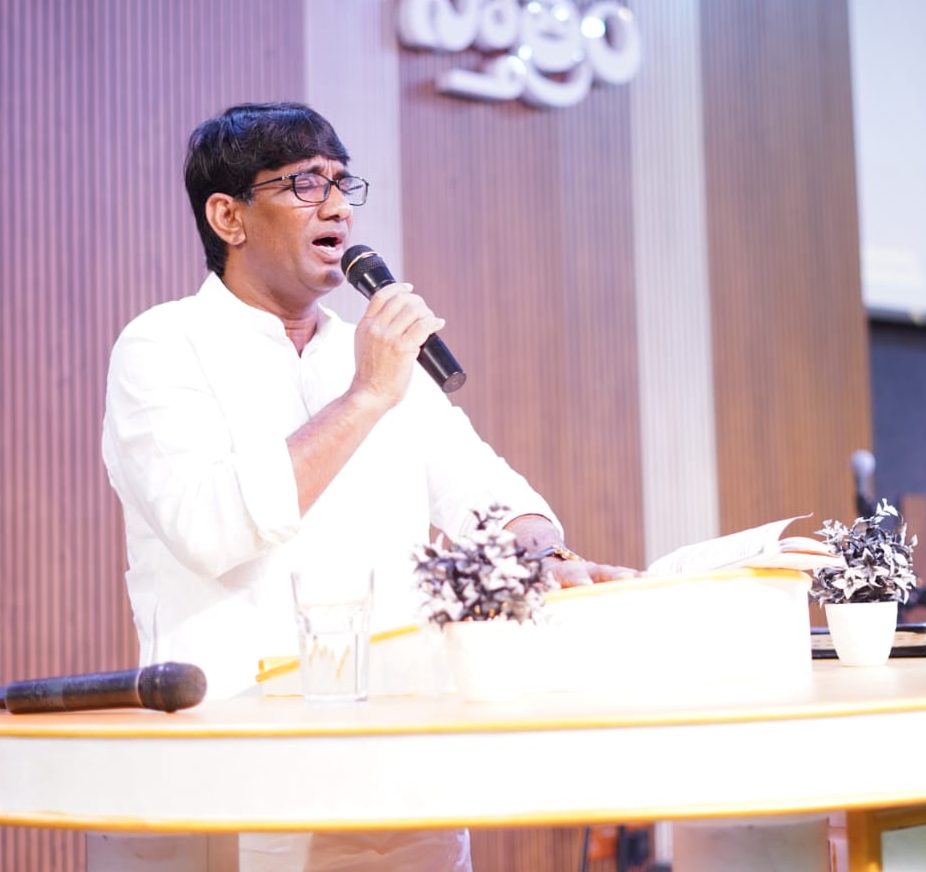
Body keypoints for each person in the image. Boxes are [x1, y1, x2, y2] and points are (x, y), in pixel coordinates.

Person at [101, 102, 634, 871]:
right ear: (228, 216)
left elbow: (484, 491)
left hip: (403, 771)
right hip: (240, 777)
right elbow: (209, 529)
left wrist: (545, 556)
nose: (338, 206)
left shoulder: (375, 355)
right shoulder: (163, 345)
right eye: (305, 183)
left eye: (343, 182)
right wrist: (364, 396)